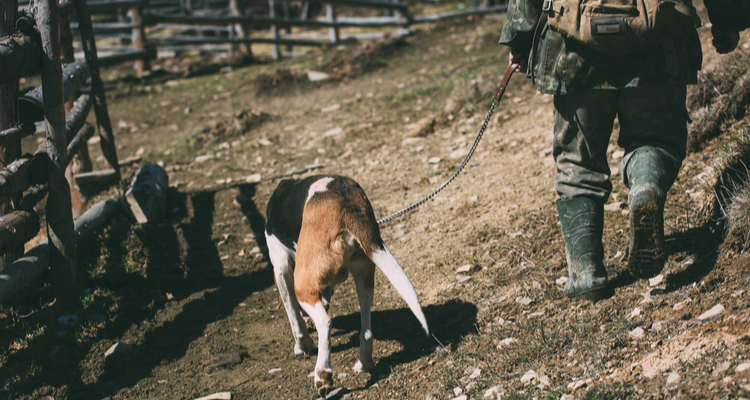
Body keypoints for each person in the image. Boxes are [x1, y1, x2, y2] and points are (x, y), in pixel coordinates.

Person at [499, 0, 750, 301]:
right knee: (656, 140)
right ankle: (646, 188)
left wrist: (520, 36)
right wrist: (727, 20)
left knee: (579, 161)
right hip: (659, 39)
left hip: (575, 45)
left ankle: (586, 274)